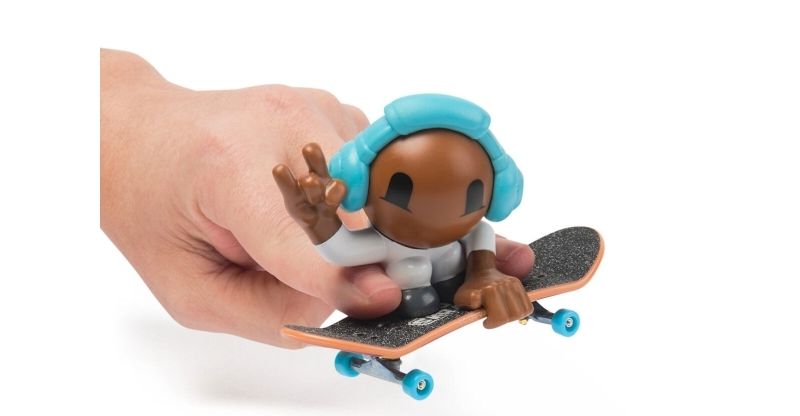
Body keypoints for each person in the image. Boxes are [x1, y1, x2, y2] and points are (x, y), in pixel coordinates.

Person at [100, 50, 534, 348]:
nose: (439, 209)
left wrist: (486, 273)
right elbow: (346, 251)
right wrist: (321, 224)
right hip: (411, 291)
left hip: (453, 278)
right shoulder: (386, 244)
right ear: (362, 187)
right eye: (402, 190)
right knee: (412, 290)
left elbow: (480, 238)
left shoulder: (472, 233)